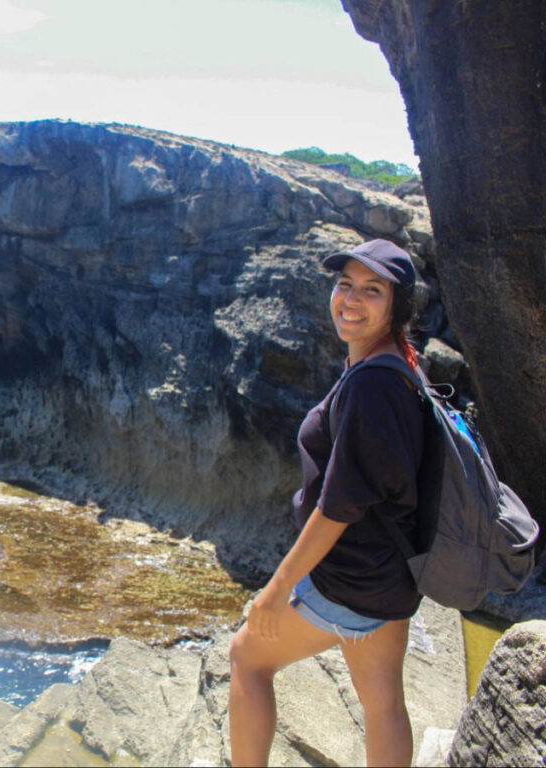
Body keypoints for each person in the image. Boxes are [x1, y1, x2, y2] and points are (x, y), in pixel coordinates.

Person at [227, 239, 424, 767]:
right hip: (392, 570)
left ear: (398, 306)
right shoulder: (400, 367)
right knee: (383, 703)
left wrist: (276, 589)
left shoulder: (374, 386)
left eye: (372, 290)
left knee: (247, 658)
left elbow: (339, 506)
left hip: (354, 574)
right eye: (345, 285)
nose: (351, 300)